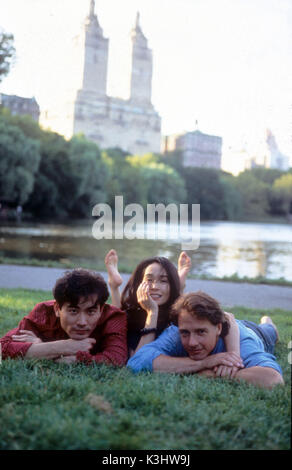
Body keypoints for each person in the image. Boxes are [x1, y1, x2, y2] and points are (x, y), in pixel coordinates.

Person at [105, 250, 244, 369]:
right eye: (149, 280)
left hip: (173, 307)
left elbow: (227, 317)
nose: (154, 286)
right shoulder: (133, 316)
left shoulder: (178, 316)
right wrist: (151, 313)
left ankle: (180, 285)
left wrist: (234, 356)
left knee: (180, 305)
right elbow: (136, 361)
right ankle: (114, 285)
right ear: (139, 284)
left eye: (163, 280)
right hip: (138, 319)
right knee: (119, 320)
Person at [127, 291, 284, 389]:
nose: (192, 342)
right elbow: (137, 361)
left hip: (257, 334)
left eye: (201, 332)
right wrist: (204, 363)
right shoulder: (177, 332)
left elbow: (273, 379)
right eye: (185, 333)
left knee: (270, 331)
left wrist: (212, 375)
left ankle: (267, 322)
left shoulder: (244, 343)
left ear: (218, 328)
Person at [0, 268, 128, 366]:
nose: (82, 322)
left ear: (101, 310)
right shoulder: (44, 313)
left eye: (90, 312)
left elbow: (116, 358)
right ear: (57, 309)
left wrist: (76, 357)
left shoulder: (113, 317)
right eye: (73, 311)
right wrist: (64, 347)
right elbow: (3, 347)